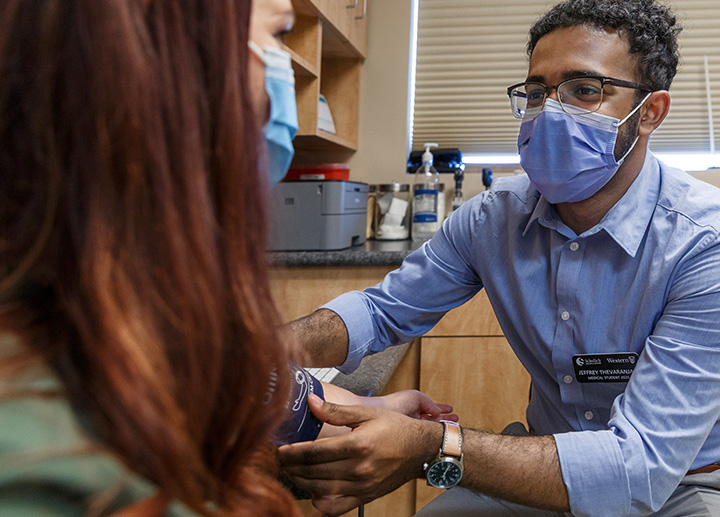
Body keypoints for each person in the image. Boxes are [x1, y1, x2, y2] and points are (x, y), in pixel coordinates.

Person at [0, 0, 453, 515]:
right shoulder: (35, 448)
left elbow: (240, 389)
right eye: (277, 34)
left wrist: (370, 411)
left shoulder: (127, 290)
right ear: (162, 59)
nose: (282, 79)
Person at [278, 1, 720, 516]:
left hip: (680, 486)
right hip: (541, 470)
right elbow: (381, 312)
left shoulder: (702, 245)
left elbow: (636, 468)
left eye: (584, 89)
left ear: (650, 112)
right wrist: (263, 352)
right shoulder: (494, 217)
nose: (550, 112)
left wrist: (430, 446)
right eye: (537, 93)